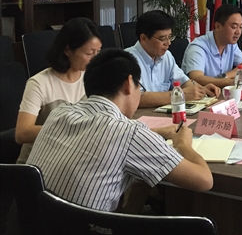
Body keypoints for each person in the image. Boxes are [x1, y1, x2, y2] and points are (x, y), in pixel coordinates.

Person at [27, 48, 213, 211]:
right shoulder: (130, 133)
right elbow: (204, 181)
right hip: (87, 229)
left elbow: (101, 134)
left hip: (32, 225)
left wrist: (159, 132)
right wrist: (183, 145)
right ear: (129, 83)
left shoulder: (59, 113)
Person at [15, 18, 102, 163]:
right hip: (39, 162)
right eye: (89, 53)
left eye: (98, 52)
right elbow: (22, 133)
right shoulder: (39, 83)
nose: (95, 59)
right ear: (67, 50)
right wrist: (71, 129)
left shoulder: (91, 77)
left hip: (74, 157)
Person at [126, 10, 220, 108]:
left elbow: (184, 82)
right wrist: (180, 95)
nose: (168, 43)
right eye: (163, 38)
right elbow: (136, 98)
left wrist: (201, 90)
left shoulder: (166, 56)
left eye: (170, 37)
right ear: (144, 38)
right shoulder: (127, 60)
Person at [182, 4, 242, 88]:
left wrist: (224, 77)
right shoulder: (198, 47)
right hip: (201, 94)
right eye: (234, 27)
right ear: (218, 26)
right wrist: (227, 82)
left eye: (240, 27)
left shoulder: (231, 44)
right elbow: (196, 78)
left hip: (221, 92)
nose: (238, 32)